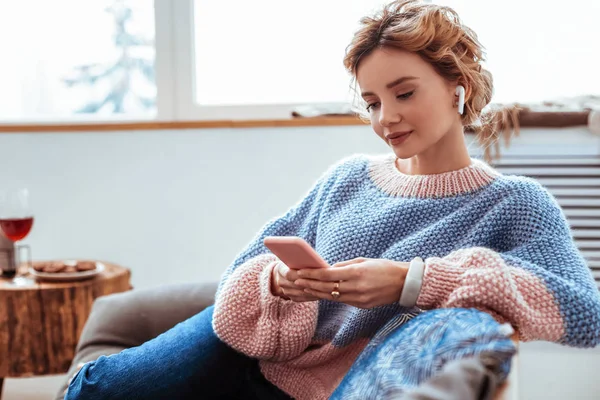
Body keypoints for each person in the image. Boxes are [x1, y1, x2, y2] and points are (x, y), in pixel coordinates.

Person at [65, 1, 600, 399]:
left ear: (457, 87)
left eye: (404, 93)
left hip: (349, 386)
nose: (384, 118)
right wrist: (278, 282)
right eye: (371, 102)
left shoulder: (515, 204)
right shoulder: (347, 177)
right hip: (255, 355)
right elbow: (243, 270)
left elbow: (586, 313)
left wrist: (409, 281)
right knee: (94, 390)